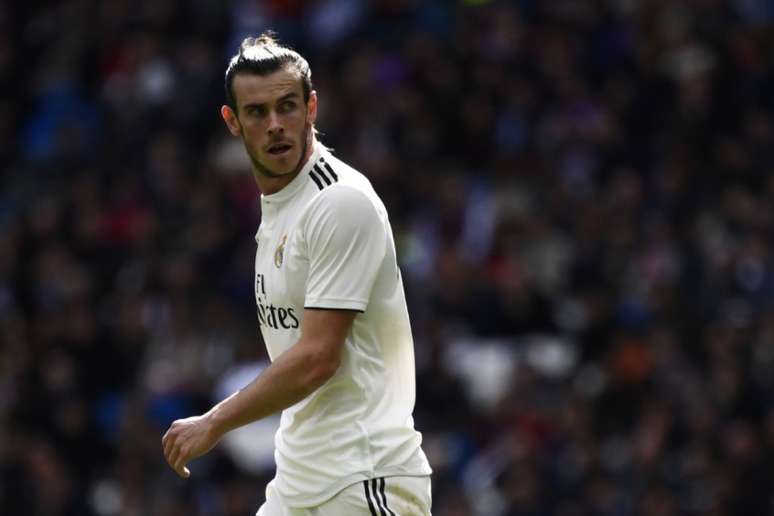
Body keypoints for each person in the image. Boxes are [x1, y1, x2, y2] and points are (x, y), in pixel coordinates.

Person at [161, 33, 433, 515]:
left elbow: (317, 358)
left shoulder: (338, 201)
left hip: (363, 476)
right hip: (300, 481)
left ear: (311, 108)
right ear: (233, 122)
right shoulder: (281, 205)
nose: (275, 126)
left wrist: (214, 422)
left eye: (287, 106)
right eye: (257, 112)